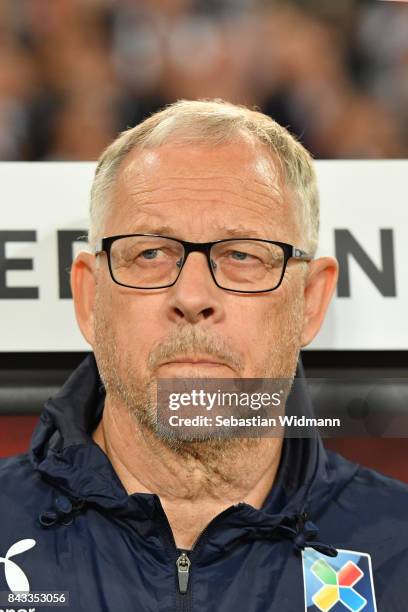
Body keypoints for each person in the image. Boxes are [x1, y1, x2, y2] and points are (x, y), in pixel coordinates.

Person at [0, 99, 407, 612]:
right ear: (88, 297)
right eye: (149, 252)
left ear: (309, 301)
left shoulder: (399, 553)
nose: (192, 297)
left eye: (242, 254)